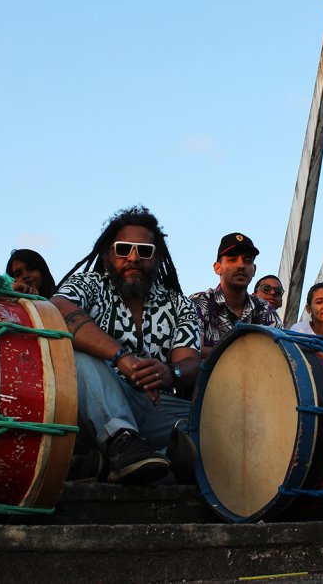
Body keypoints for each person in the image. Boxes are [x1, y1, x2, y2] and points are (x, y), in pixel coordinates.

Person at [51, 206, 201, 484]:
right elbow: (57, 308)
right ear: (109, 254)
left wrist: (171, 373)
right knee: (80, 357)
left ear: (157, 257)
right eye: (123, 249)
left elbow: (189, 360)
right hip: (91, 406)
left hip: (153, 402)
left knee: (212, 423)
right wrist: (122, 358)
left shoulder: (179, 304)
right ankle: (125, 443)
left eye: (144, 251)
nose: (133, 258)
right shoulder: (88, 284)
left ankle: (117, 463)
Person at [190, 233, 281, 360]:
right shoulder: (198, 303)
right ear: (217, 268)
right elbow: (191, 351)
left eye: (247, 260)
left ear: (254, 270)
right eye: (232, 260)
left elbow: (281, 352)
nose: (241, 265)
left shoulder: (265, 310)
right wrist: (244, 353)